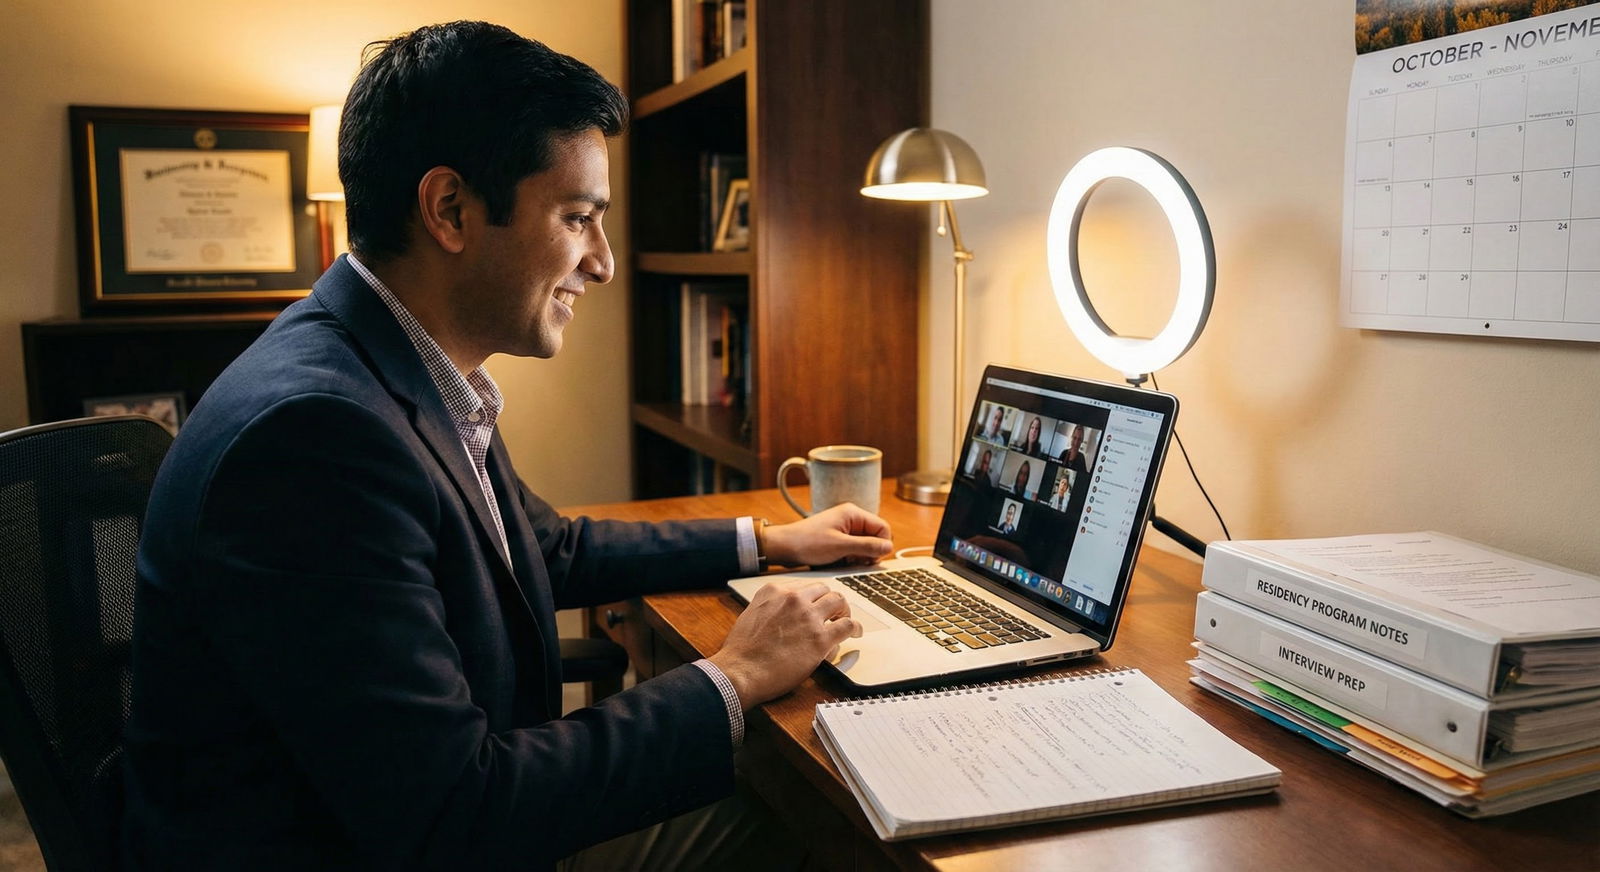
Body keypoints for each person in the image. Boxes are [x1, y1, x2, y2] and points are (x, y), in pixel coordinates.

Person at [122, 22, 892, 871]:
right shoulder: (317, 438)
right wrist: (737, 673)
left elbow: (546, 547)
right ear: (450, 209)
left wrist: (765, 540)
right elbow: (459, 814)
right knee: (816, 824)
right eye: (577, 218)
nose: (601, 263)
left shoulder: (388, 365)